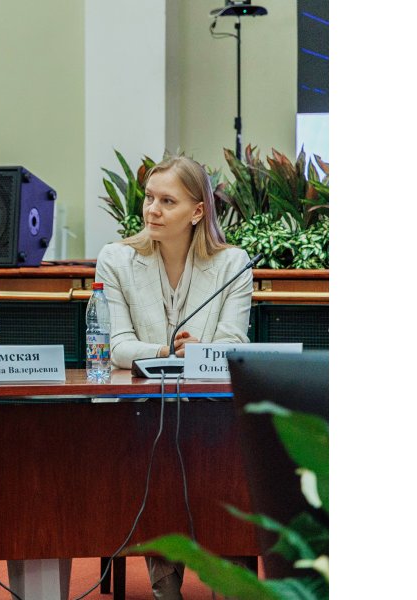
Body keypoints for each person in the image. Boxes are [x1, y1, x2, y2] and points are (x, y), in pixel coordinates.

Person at [94, 154, 252, 599]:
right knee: (158, 442)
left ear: (197, 211)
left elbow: (233, 345)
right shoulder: (116, 259)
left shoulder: (233, 264)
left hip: (211, 410)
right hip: (143, 409)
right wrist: (166, 351)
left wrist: (199, 350)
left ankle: (233, 583)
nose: (153, 210)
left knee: (228, 457)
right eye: (149, 198)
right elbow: (116, 347)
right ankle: (166, 588)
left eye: (167, 201)